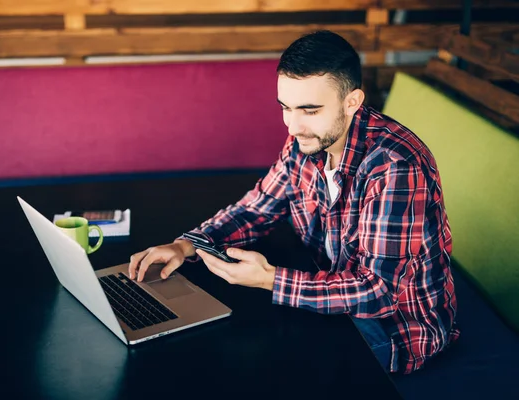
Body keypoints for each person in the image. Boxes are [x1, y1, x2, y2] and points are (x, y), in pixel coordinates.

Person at [128, 30, 459, 374]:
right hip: (329, 299)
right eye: (286, 107)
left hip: (394, 332)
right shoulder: (305, 142)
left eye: (309, 110)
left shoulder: (395, 166)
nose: (293, 125)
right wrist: (186, 246)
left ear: (352, 102)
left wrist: (271, 280)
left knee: (247, 364)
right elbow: (256, 209)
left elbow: (378, 292)